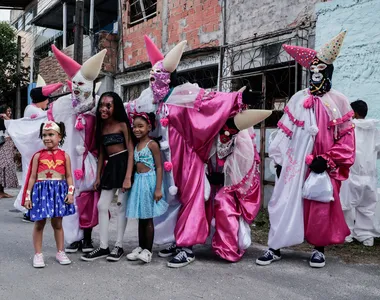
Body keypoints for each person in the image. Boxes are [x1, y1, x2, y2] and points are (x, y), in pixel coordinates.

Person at [126, 36, 271, 268]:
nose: (153, 81)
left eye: (158, 76)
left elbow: (211, 101)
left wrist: (238, 98)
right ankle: (175, 238)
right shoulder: (150, 99)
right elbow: (129, 109)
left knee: (192, 198)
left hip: (188, 155)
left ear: (169, 77)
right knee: (172, 201)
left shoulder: (184, 94)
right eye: (150, 77)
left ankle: (187, 246)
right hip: (164, 158)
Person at [255, 31, 355, 268]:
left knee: (318, 203)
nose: (316, 75)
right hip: (293, 163)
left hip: (319, 163)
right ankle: (275, 246)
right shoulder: (298, 98)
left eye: (320, 70)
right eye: (312, 71)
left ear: (328, 72)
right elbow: (284, 131)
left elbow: (347, 138)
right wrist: (278, 160)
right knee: (282, 201)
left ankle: (318, 249)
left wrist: (328, 160)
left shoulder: (339, 101)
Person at [81, 92, 134, 262]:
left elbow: (131, 150)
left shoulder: (122, 125)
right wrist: (97, 177)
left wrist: (127, 177)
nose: (104, 108)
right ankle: (103, 246)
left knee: (121, 206)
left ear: (116, 107)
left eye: (108, 105)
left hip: (125, 163)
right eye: (102, 105)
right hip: (110, 166)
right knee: (102, 205)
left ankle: (118, 245)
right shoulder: (101, 127)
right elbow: (102, 154)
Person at [22, 121, 75, 268]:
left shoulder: (65, 156)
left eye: (51, 134)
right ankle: (38, 254)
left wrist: (70, 193)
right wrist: (27, 197)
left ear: (60, 136)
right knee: (39, 223)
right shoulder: (38, 156)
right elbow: (32, 177)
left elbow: (69, 176)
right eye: (44, 135)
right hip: (41, 193)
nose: (47, 138)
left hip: (58, 193)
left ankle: (60, 251)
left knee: (57, 223)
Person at [16, 78, 63, 222]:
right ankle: (29, 210)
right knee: (33, 180)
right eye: (47, 99)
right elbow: (45, 118)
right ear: (41, 99)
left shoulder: (33, 109)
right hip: (33, 153)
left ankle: (31, 209)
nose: (48, 102)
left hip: (33, 152)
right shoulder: (33, 110)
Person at [126, 112, 168, 263]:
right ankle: (140, 247)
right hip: (139, 182)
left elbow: (159, 167)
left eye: (140, 126)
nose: (136, 129)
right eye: (134, 126)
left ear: (149, 127)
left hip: (149, 182)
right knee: (141, 218)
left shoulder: (152, 144)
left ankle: (148, 251)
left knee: (148, 217)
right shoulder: (137, 146)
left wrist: (158, 188)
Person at [340, 100, 380, 246]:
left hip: (351, 172)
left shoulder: (348, 129)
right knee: (367, 207)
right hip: (369, 174)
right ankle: (366, 235)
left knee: (347, 206)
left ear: (354, 113)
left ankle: (347, 233)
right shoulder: (374, 130)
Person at [0, 105, 18, 199]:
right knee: (3, 167)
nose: (9, 113)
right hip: (3, 146)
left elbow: (15, 128)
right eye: (8, 111)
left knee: (7, 167)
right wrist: (5, 118)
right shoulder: (4, 122)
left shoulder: (8, 121)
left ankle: (2, 191)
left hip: (9, 146)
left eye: (10, 111)